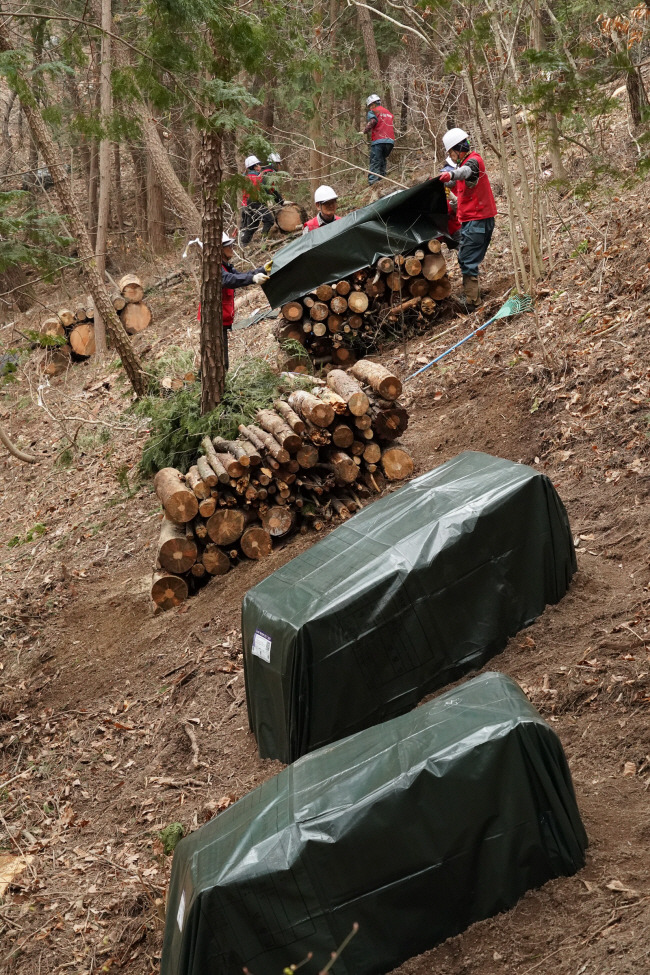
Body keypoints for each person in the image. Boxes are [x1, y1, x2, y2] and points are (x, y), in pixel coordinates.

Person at [438, 127, 497, 308]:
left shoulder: (473, 162)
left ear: (457, 149)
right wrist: (442, 182)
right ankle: (473, 295)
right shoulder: (464, 164)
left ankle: (472, 302)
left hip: (477, 221)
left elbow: (465, 172)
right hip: (474, 220)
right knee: (466, 257)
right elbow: (457, 183)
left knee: (467, 259)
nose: (451, 156)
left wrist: (451, 174)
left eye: (451, 152)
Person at [196, 232, 268, 369]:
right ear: (220, 250)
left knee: (220, 362)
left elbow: (241, 276)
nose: (232, 249)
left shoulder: (225, 267)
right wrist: (253, 279)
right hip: (213, 321)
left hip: (220, 320)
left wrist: (262, 270)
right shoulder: (215, 268)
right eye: (229, 246)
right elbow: (229, 280)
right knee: (217, 363)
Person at [240, 155, 274, 245]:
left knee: (253, 226)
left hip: (248, 203)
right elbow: (265, 189)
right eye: (258, 165)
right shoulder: (255, 178)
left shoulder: (246, 177)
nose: (260, 166)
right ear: (254, 166)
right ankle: (263, 240)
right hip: (255, 202)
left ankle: (244, 244)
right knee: (269, 220)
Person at [363, 95, 395, 186]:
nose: (370, 108)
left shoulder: (373, 111)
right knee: (382, 160)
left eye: (370, 106)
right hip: (390, 141)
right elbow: (391, 119)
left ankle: (373, 183)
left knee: (375, 161)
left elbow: (373, 121)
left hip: (379, 140)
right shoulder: (388, 112)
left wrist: (365, 130)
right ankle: (382, 180)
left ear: (373, 104)